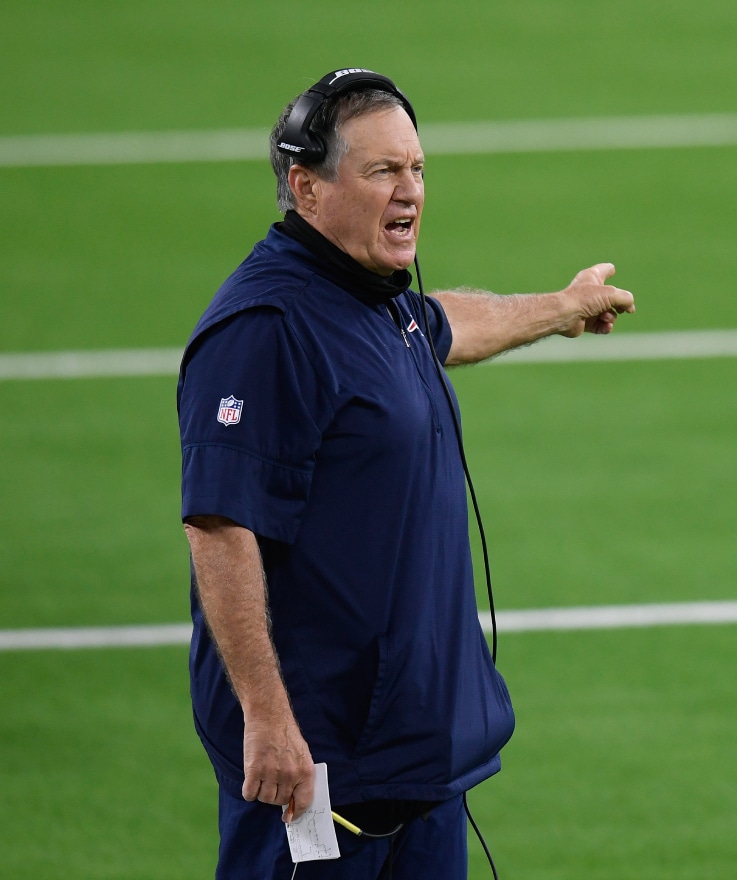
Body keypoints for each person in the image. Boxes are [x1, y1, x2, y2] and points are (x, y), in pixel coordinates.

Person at [178, 69, 634, 879]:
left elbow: (450, 322)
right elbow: (219, 526)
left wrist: (560, 308)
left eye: (417, 169)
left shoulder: (374, 300)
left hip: (415, 763)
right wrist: (268, 719)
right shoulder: (268, 328)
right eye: (383, 171)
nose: (410, 192)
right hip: (317, 772)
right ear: (305, 186)